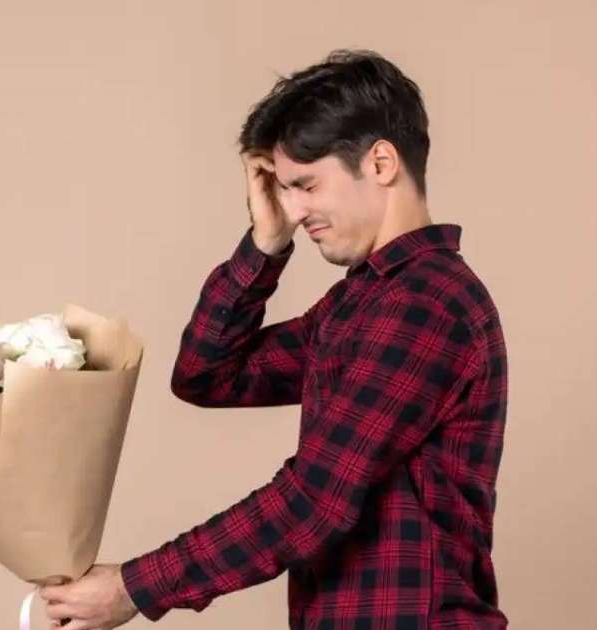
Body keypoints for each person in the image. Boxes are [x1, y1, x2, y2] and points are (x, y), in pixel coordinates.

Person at [38, 49, 509, 629]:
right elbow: (207, 376)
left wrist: (134, 588)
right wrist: (265, 242)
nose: (295, 208)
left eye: (306, 185)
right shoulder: (360, 303)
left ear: (381, 162)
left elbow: (315, 500)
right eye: (283, 189)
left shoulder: (426, 303)